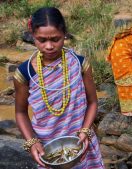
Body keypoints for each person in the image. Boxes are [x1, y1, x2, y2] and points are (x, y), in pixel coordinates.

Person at [13, 7, 104, 168]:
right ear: (32, 36)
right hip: (47, 148)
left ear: (65, 35)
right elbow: (20, 112)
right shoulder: (24, 73)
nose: (49, 46)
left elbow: (93, 103)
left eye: (55, 39)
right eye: (41, 40)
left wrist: (85, 131)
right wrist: (32, 142)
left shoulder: (79, 64)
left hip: (81, 141)